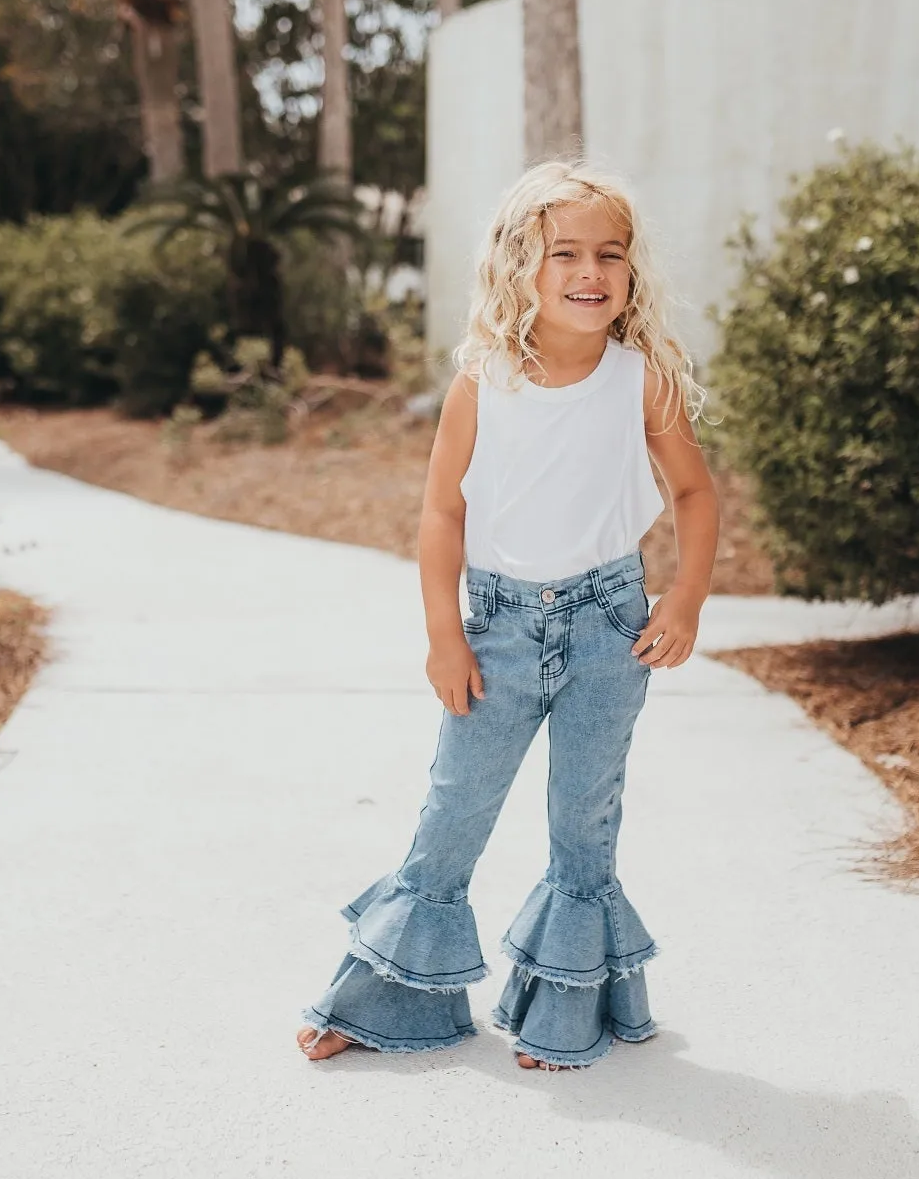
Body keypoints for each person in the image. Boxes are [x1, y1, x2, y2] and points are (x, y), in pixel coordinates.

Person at [296, 161, 718, 1071]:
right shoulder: (483, 383)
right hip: (495, 630)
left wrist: (683, 597)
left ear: (631, 271)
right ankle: (382, 999)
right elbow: (442, 511)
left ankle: (566, 1014)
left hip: (610, 627)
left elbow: (694, 493)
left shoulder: (643, 379)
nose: (590, 270)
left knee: (584, 822)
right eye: (564, 251)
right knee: (453, 814)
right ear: (520, 264)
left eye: (610, 253)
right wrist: (444, 635)